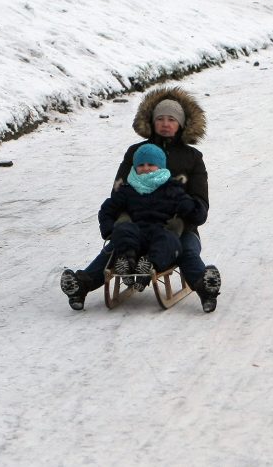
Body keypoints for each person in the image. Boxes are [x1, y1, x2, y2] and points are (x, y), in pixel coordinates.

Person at [60, 86, 222, 312]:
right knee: (116, 246)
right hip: (138, 225)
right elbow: (118, 195)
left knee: (185, 250)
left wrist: (183, 216)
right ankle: (81, 284)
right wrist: (118, 225)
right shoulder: (136, 152)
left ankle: (205, 287)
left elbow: (200, 204)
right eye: (160, 119)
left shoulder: (192, 157)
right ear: (152, 121)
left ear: (182, 124)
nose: (166, 124)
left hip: (179, 227)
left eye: (172, 119)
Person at [98, 143, 206, 293]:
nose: (146, 168)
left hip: (159, 231)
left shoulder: (171, 188)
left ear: (160, 167)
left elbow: (189, 206)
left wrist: (191, 208)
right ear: (135, 167)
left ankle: (149, 266)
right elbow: (107, 209)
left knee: (169, 240)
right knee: (123, 230)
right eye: (141, 165)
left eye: (151, 164)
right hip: (136, 233)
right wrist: (109, 229)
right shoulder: (128, 189)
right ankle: (125, 264)